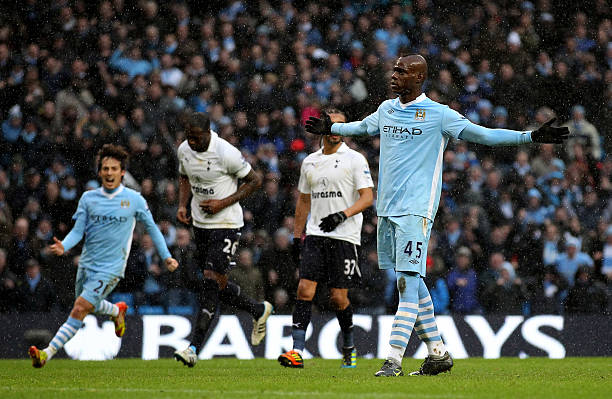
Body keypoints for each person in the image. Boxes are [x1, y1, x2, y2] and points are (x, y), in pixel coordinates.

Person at [305, 54, 569, 377]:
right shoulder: (387, 109)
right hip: (387, 210)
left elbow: (482, 134)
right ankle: (438, 354)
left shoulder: (439, 115)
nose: (394, 75)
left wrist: (528, 137)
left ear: (418, 79)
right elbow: (360, 128)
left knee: (406, 282)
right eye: (394, 70)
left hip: (416, 212)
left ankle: (393, 360)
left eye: (402, 72)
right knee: (412, 285)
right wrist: (332, 127)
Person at [28, 144, 179, 368]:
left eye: (114, 169)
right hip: (88, 264)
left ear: (122, 172)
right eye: (105, 169)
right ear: (99, 172)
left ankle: (46, 353)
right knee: (86, 306)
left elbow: (153, 229)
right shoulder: (88, 199)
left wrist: (166, 256)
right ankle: (116, 310)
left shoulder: (134, 199)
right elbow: (78, 231)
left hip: (111, 267)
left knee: (80, 308)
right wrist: (65, 245)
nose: (109, 173)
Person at [173, 112, 272, 368]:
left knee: (209, 281)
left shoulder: (225, 152)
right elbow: (184, 176)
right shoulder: (184, 150)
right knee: (214, 283)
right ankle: (257, 310)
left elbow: (255, 181)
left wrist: (222, 203)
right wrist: (183, 205)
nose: (191, 142)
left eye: (196, 138)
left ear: (208, 132)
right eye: (188, 137)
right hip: (200, 224)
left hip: (226, 223)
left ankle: (193, 347)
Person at [277, 110, 374, 369]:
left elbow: (367, 198)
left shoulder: (354, 159)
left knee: (337, 297)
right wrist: (297, 236)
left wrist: (343, 215)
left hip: (345, 236)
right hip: (316, 235)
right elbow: (304, 201)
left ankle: (349, 345)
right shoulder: (310, 162)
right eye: (331, 124)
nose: (335, 129)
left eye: (341, 125)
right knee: (304, 290)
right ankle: (297, 350)